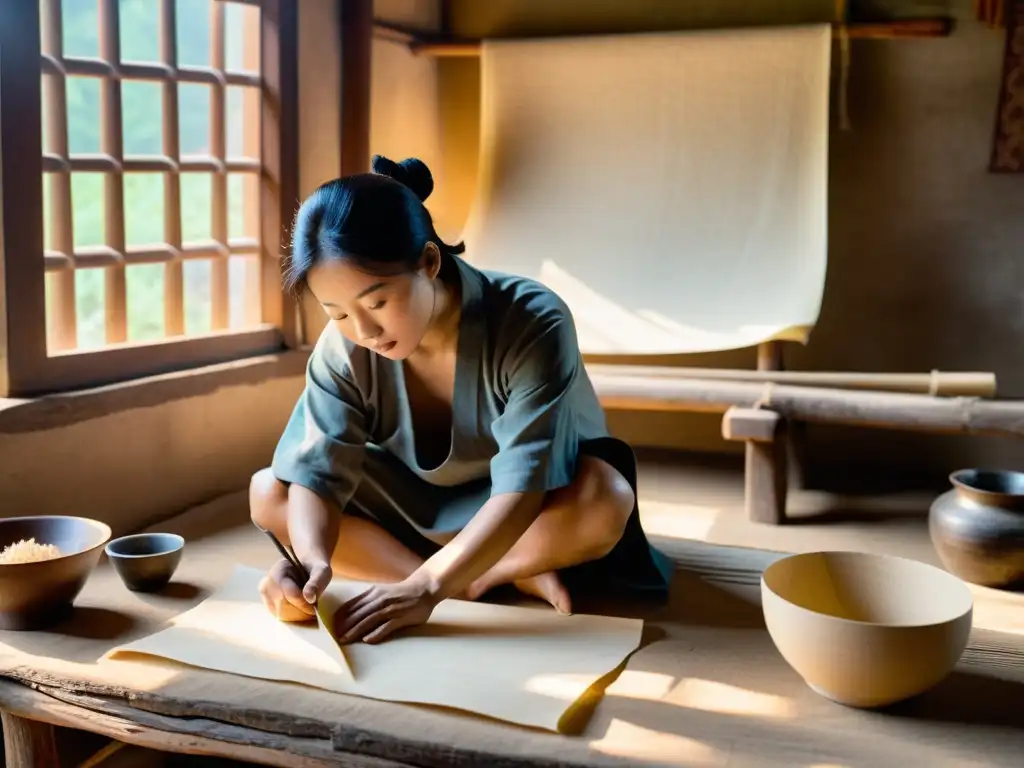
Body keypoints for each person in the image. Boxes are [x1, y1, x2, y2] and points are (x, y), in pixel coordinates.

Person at [252, 155, 672, 645]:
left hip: (529, 510)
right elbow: (316, 475)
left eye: (377, 302)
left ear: (429, 261)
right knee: (271, 493)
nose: (363, 331)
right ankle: (478, 579)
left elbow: (523, 489)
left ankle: (448, 577)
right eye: (337, 313)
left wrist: (430, 588)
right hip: (414, 508)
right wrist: (310, 564)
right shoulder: (342, 347)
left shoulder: (532, 320)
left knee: (606, 499)